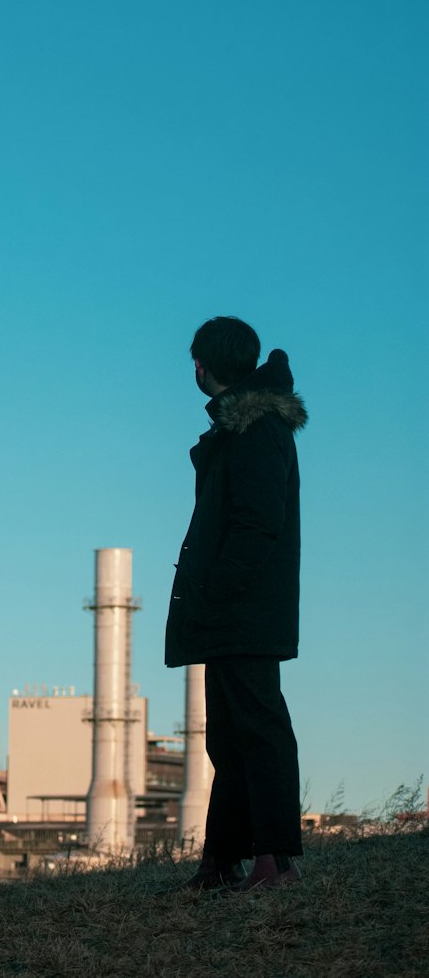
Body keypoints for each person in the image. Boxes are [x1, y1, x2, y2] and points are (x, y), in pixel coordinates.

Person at [165, 316, 307, 892]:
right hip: (233, 611)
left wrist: (218, 592)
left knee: (261, 729)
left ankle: (277, 861)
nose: (193, 369)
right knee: (226, 737)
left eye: (196, 360)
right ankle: (221, 861)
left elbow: (256, 525)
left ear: (210, 363)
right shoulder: (238, 429)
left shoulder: (254, 431)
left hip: (244, 610)